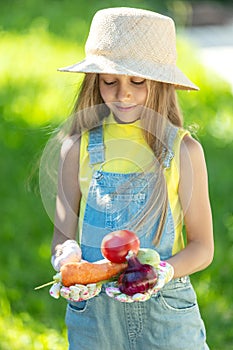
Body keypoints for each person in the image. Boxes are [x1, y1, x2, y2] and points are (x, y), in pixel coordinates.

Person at [49, 7, 214, 350]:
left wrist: (163, 272)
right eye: (110, 81)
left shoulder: (184, 151)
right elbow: (62, 237)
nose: (123, 94)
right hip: (94, 319)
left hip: (166, 317)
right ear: (95, 81)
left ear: (161, 83)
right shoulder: (76, 148)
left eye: (138, 82)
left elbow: (203, 247)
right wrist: (66, 259)